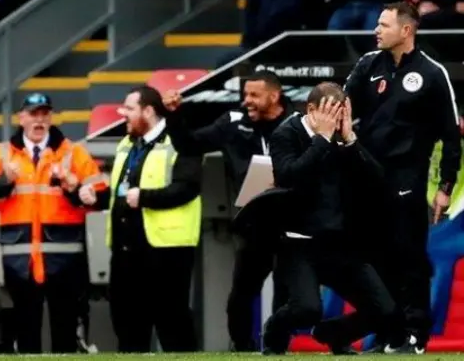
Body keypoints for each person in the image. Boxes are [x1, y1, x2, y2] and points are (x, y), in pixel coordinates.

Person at [342, 1, 462, 353]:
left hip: (408, 175)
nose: (376, 30)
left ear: (406, 30)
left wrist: (445, 187)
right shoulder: (367, 65)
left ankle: (415, 334)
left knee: (409, 258)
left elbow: (450, 136)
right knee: (376, 259)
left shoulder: (432, 72)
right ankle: (385, 331)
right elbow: (344, 111)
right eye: (378, 24)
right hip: (368, 177)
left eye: (384, 25)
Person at [263, 82, 412, 355]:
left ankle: (333, 334)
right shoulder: (287, 133)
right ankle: (275, 329)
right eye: (332, 113)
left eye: (342, 113)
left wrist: (350, 141)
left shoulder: (342, 138)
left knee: (386, 311)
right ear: (311, 110)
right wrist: (321, 139)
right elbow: (289, 176)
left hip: (340, 242)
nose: (338, 120)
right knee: (307, 309)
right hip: (299, 243)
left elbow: (377, 181)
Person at [163, 70, 294, 351]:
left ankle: (277, 349)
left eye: (254, 95)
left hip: (293, 222)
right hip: (253, 224)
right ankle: (242, 348)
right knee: (241, 295)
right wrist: (174, 116)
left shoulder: (297, 122)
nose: (247, 101)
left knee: (286, 293)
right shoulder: (232, 123)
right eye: (245, 95)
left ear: (275, 96)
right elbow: (189, 144)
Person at [0, 92, 106, 354]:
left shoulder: (73, 152)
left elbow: (98, 194)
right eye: (33, 114)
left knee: (65, 331)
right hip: (19, 258)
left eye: (44, 114)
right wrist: (4, 182)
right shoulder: (1, 154)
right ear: (21, 118)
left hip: (65, 258)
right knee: (26, 332)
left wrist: (73, 186)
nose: (39, 120)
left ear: (51, 117)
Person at [78, 85, 202, 353]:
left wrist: (145, 198)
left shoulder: (180, 140)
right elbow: (121, 192)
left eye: (130, 109)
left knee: (172, 324)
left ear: (148, 111)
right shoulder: (127, 144)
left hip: (167, 249)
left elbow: (189, 188)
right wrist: (95, 198)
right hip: (126, 249)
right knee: (127, 325)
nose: (124, 115)